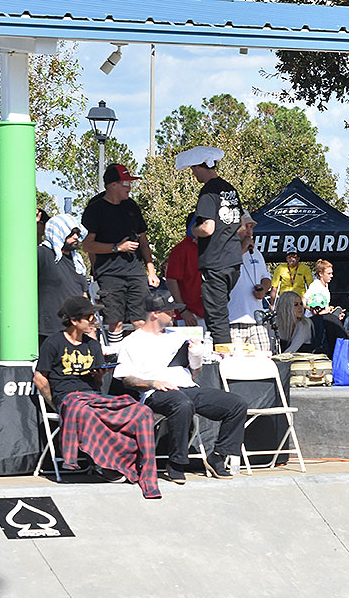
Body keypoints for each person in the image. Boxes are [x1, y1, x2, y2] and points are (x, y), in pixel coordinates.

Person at [33, 296, 161, 499]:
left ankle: (134, 466)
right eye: (89, 316)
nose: (94, 320)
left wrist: (100, 376)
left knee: (140, 411)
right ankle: (107, 464)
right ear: (74, 320)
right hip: (69, 398)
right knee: (84, 411)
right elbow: (40, 378)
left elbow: (99, 386)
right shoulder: (53, 342)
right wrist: (56, 404)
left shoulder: (93, 345)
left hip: (93, 396)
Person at [115, 291, 247, 483]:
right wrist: (153, 383)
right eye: (170, 312)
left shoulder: (176, 336)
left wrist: (196, 355)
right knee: (182, 404)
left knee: (236, 404)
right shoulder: (132, 341)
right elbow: (126, 379)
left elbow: (195, 373)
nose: (175, 316)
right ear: (155, 314)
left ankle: (218, 456)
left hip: (186, 386)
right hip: (155, 392)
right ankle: (176, 463)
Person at [79, 164, 158, 341]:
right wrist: (117, 247)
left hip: (136, 273)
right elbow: (87, 245)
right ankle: (116, 360)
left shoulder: (132, 206)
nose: (129, 187)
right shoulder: (95, 209)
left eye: (130, 183)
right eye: (125, 183)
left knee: (141, 320)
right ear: (112, 185)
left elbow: (144, 242)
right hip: (110, 274)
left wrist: (151, 271)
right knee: (115, 322)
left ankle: (143, 360)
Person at [177, 146, 245, 351]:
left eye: (193, 169)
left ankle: (223, 361)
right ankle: (224, 353)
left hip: (215, 262)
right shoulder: (230, 189)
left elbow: (207, 228)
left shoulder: (208, 192)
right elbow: (242, 227)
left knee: (216, 316)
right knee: (221, 310)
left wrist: (194, 231)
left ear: (200, 166)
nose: (193, 173)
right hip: (233, 261)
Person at [38, 213, 89, 346]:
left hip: (75, 330)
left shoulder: (77, 261)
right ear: (59, 232)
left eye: (78, 233)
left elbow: (83, 293)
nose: (76, 237)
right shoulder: (42, 254)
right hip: (49, 331)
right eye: (71, 233)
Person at [228, 223, 271, 353]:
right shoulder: (225, 251)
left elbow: (266, 277)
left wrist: (263, 288)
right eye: (246, 227)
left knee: (264, 359)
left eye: (251, 228)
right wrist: (241, 250)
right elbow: (224, 272)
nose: (250, 232)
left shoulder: (256, 252)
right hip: (233, 320)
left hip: (257, 320)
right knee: (234, 363)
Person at [164, 217, 204, 329]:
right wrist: (183, 310)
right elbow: (171, 280)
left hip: (208, 312)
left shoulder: (208, 248)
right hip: (189, 315)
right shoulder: (181, 249)